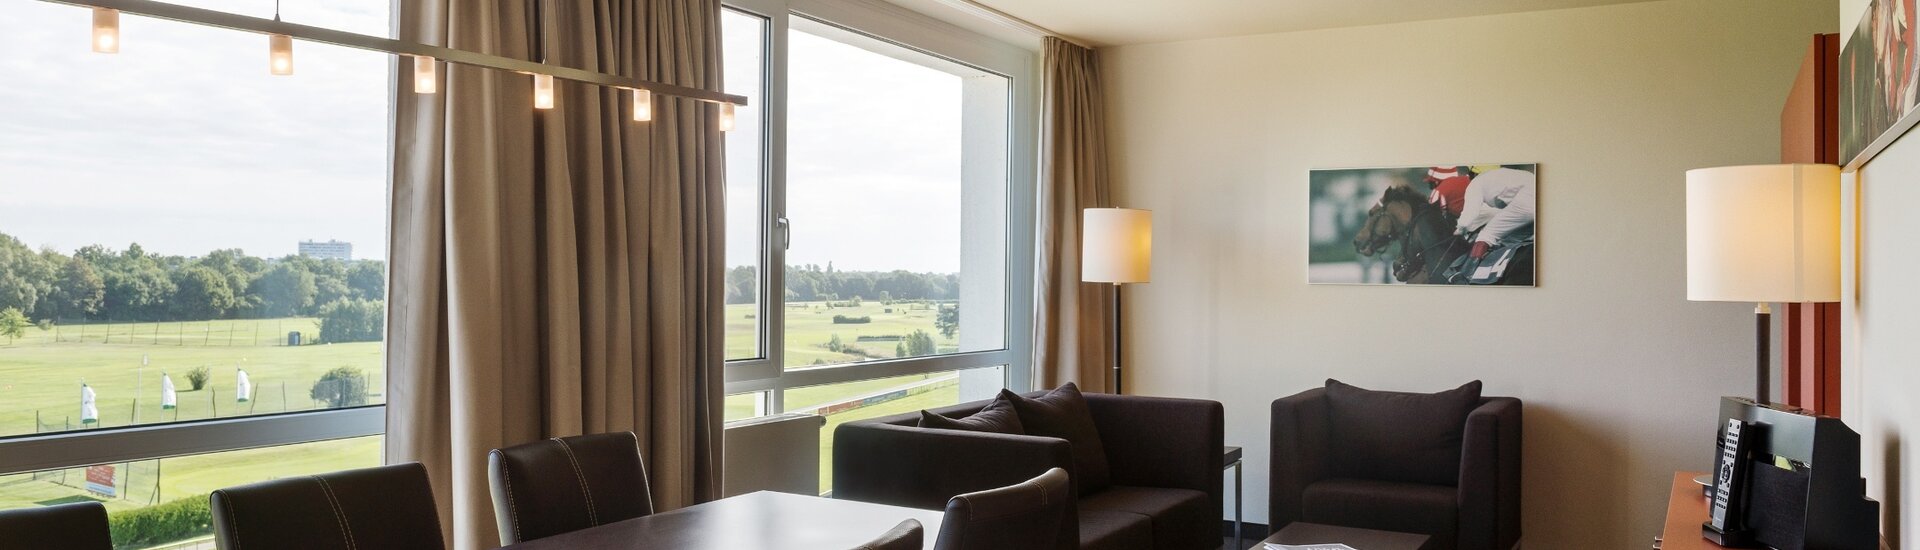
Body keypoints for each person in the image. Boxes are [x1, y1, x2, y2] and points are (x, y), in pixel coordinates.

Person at [1455, 168, 1536, 260]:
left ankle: (1471, 267)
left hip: (1527, 201)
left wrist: (1459, 229)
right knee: (1513, 240)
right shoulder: (1502, 174)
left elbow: (1468, 217)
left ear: (1472, 174)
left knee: (1487, 235)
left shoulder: (1476, 183)